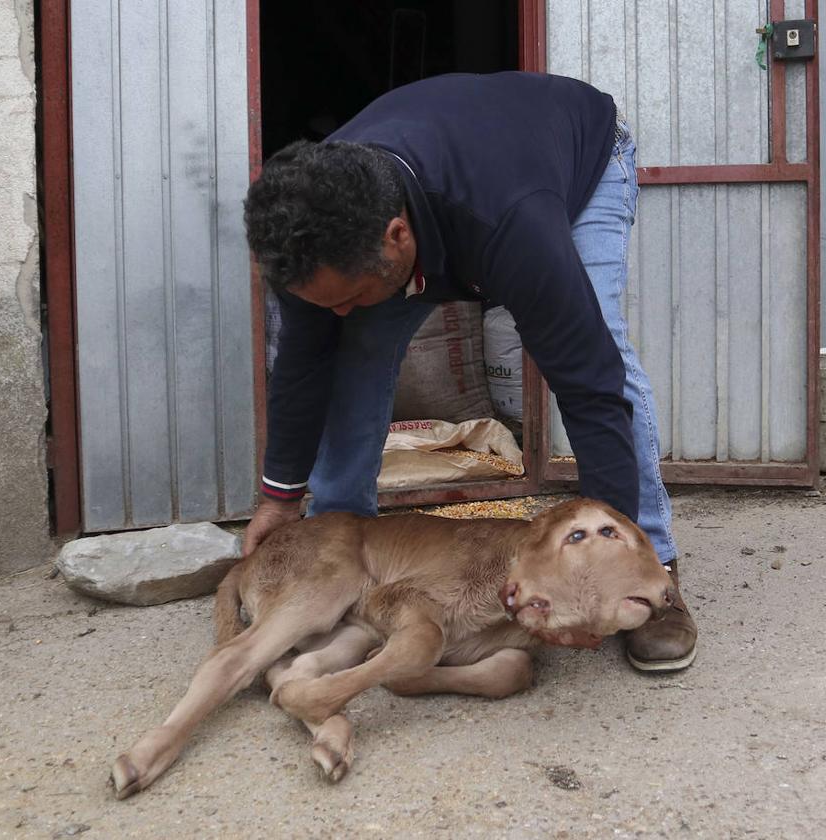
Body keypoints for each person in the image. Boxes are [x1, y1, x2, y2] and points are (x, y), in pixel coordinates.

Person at [242, 71, 696, 672]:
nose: (341, 311)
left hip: (574, 159)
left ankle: (653, 566)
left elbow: (590, 388)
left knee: (600, 343)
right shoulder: (311, 229)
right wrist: (279, 498)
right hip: (454, 169)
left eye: (350, 295)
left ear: (397, 239)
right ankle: (345, 552)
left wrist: (602, 575)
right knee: (352, 357)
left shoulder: (513, 224)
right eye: (326, 301)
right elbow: (303, 368)